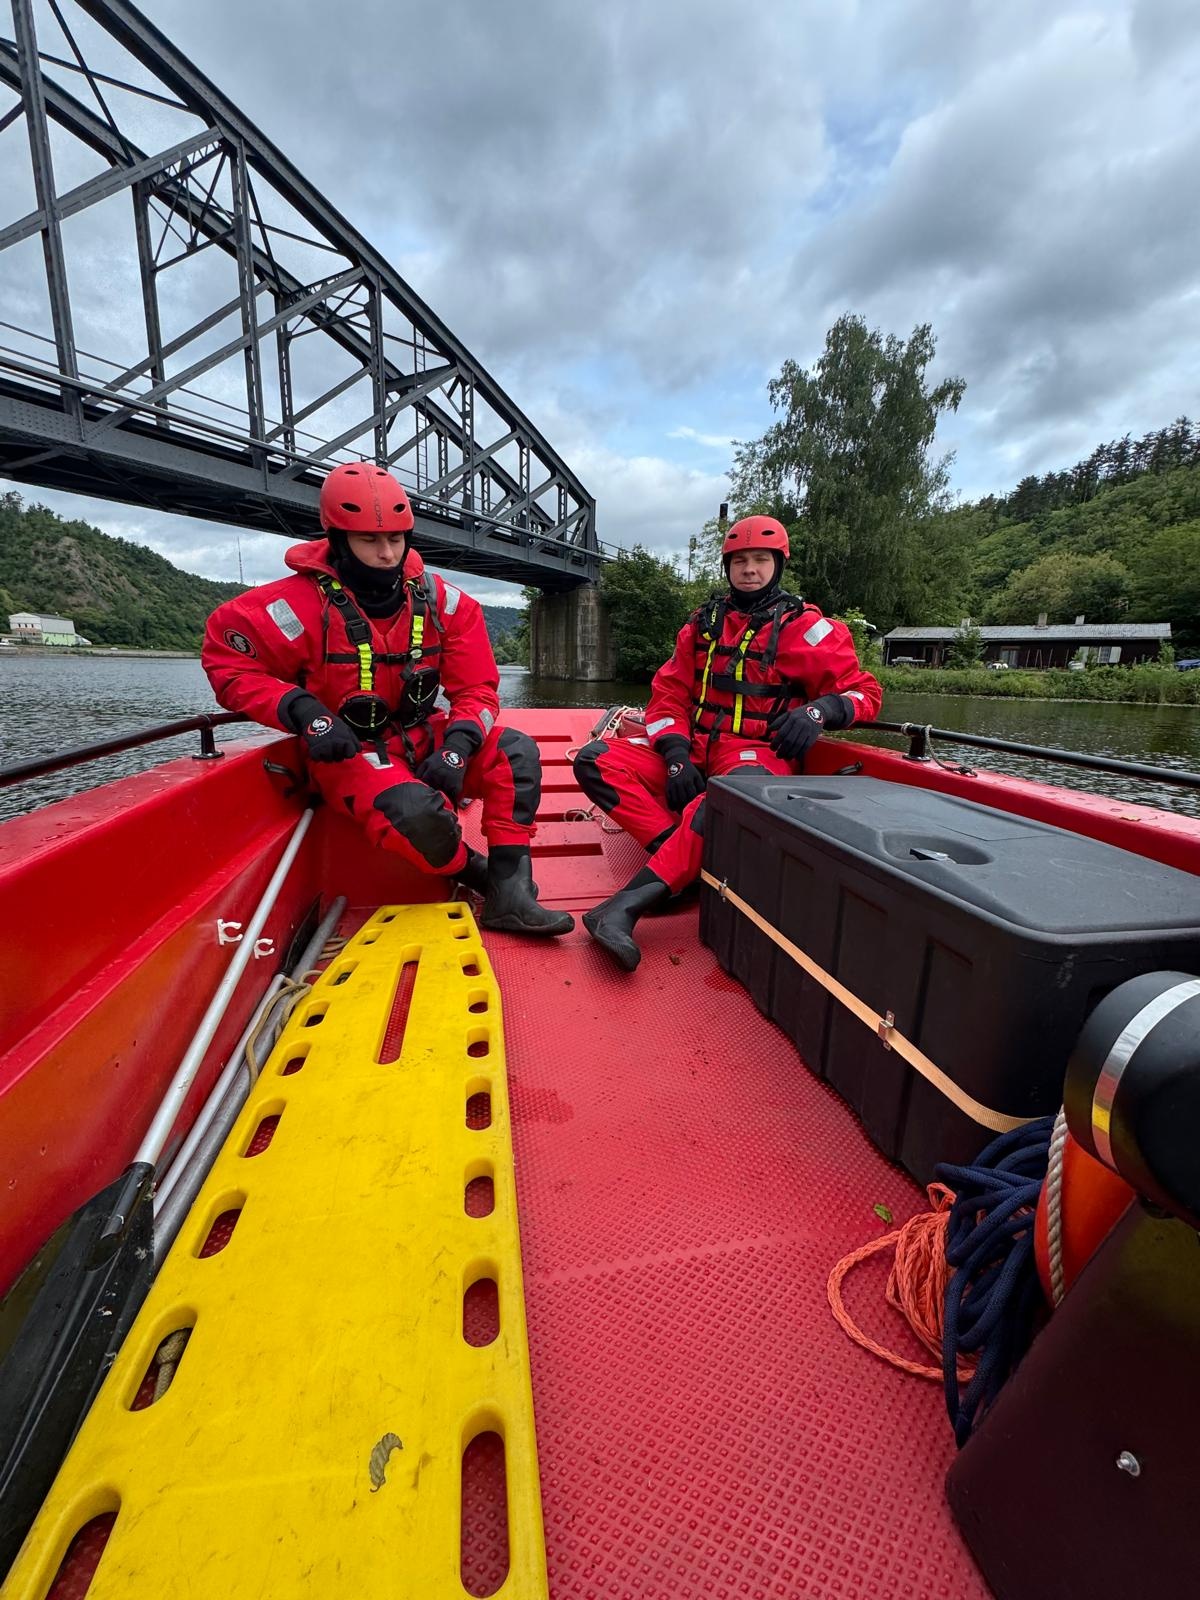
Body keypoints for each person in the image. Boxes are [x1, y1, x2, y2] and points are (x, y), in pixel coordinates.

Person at [202, 461, 572, 936]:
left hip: (425, 735)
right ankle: (478, 874)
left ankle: (512, 893)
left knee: (516, 751)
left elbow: (477, 689)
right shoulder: (287, 607)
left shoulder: (445, 603)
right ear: (339, 540)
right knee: (415, 813)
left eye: (396, 539)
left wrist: (458, 747)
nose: (386, 554)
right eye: (369, 541)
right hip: (350, 751)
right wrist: (305, 712)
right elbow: (230, 665)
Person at [573, 515, 882, 969]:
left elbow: (865, 694)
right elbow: (668, 696)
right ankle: (679, 864)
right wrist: (675, 754)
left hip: (758, 755)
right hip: (697, 747)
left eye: (760, 560)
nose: (750, 569)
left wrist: (820, 711)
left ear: (778, 565)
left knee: (723, 800)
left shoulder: (808, 629)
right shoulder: (701, 625)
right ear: (727, 567)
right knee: (595, 759)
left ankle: (623, 907)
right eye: (740, 561)